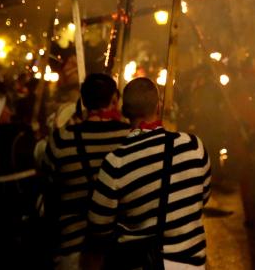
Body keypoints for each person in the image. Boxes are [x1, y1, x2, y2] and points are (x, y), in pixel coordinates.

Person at [83, 78, 212, 268]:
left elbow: (99, 226)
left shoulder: (116, 161)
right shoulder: (194, 146)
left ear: (124, 111)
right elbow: (203, 196)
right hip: (191, 262)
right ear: (158, 106)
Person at [44, 73, 130, 269]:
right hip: (119, 249)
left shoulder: (61, 139)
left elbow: (49, 188)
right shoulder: (130, 137)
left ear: (83, 100)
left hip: (72, 248)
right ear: (115, 99)